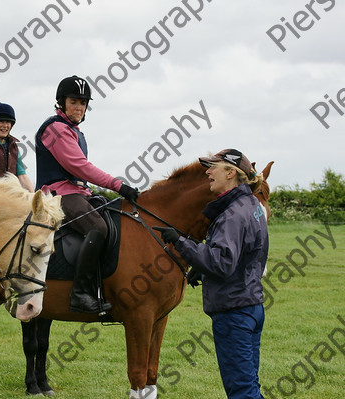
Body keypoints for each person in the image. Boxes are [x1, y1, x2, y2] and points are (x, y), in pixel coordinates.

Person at [153, 149, 268, 399]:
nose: (207, 171)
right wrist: (203, 272)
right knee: (250, 386)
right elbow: (246, 256)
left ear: (230, 172)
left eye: (213, 167)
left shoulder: (231, 214)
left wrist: (181, 242)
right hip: (251, 306)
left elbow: (221, 263)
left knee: (242, 392)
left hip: (234, 312)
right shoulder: (251, 205)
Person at [35, 75, 139, 314]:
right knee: (98, 228)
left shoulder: (75, 131)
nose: (79, 107)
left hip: (79, 193)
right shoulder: (55, 129)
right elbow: (80, 167)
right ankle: (80, 293)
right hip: (58, 194)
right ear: (61, 102)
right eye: (74, 101)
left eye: (83, 103)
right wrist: (118, 186)